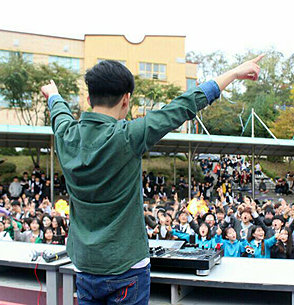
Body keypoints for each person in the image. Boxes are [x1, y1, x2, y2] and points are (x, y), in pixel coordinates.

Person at [41, 56, 264, 304]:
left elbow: (59, 112)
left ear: (89, 98)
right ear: (126, 99)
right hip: (127, 267)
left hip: (84, 265)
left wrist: (53, 95)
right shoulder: (128, 136)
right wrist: (234, 72)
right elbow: (183, 106)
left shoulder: (66, 134)